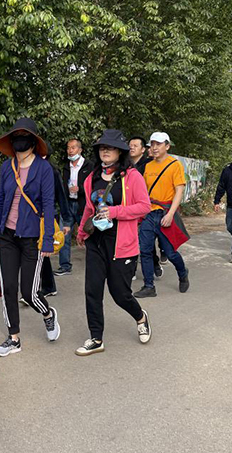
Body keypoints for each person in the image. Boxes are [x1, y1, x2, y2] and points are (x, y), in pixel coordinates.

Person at [75, 130, 152, 356]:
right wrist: (82, 232)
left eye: (110, 147)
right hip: (96, 242)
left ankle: (140, 317)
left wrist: (115, 211)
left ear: (120, 152)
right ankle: (96, 338)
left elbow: (144, 206)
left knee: (120, 294)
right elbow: (89, 208)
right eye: (102, 147)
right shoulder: (91, 178)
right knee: (92, 290)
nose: (105, 151)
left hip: (122, 244)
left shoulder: (132, 176)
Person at [0, 117, 60, 356]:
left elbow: (49, 205)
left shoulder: (44, 169)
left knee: (29, 293)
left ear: (33, 141)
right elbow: (1, 201)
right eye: (16, 137)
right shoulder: (6, 167)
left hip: (32, 238)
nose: (20, 141)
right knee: (9, 287)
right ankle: (13, 338)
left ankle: (48, 314)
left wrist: (48, 239)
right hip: (7, 236)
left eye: (24, 136)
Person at [135, 132, 190, 298]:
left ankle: (183, 273)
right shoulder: (148, 166)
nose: (154, 147)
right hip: (148, 214)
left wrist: (171, 214)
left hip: (165, 213)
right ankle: (149, 286)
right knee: (145, 251)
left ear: (167, 146)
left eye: (158, 144)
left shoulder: (174, 165)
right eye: (152, 144)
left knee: (170, 252)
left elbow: (179, 191)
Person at [36, 142, 72, 297]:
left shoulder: (52, 171)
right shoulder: (29, 169)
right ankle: (46, 286)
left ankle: (42, 287)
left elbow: (61, 197)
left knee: (40, 252)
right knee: (36, 253)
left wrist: (67, 220)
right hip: (32, 217)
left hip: (46, 217)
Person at [57, 138, 93, 276]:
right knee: (64, 235)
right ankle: (65, 266)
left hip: (83, 205)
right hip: (68, 204)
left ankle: (94, 265)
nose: (70, 151)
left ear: (80, 150)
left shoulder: (89, 166)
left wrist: (81, 189)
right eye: (68, 148)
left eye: (73, 148)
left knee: (88, 235)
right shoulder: (66, 166)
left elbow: (93, 185)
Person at [130, 136, 163, 277]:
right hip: (129, 207)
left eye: (135, 145)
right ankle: (130, 270)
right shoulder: (125, 164)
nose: (131, 148)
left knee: (145, 241)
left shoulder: (149, 164)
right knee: (131, 239)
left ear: (143, 149)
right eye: (130, 145)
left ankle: (154, 263)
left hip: (146, 207)